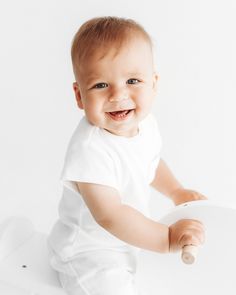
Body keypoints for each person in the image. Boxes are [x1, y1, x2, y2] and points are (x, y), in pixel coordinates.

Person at [48, 16, 206, 295]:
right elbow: (110, 214)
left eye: (133, 80)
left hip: (127, 239)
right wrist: (167, 239)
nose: (118, 94)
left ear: (154, 84)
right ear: (79, 95)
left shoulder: (145, 125)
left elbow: (151, 162)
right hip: (90, 252)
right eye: (100, 85)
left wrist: (176, 191)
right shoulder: (90, 149)